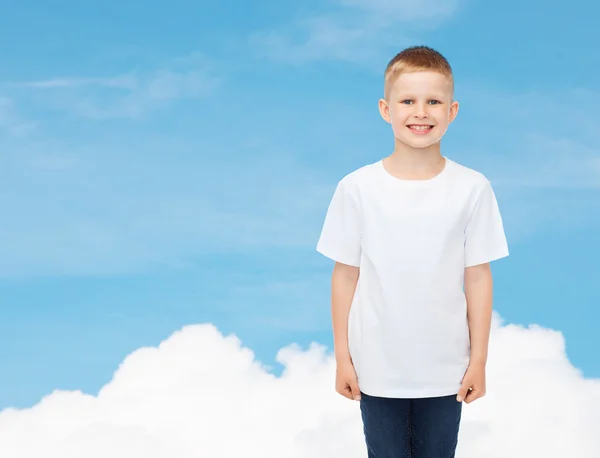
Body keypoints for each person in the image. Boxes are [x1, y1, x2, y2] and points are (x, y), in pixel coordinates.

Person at [315, 45, 509, 457]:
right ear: (386, 109)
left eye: (433, 101)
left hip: (446, 370)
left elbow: (478, 277)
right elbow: (344, 275)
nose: (421, 112)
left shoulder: (473, 189)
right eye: (408, 101)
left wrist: (479, 361)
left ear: (452, 110)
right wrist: (342, 359)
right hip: (376, 369)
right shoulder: (357, 188)